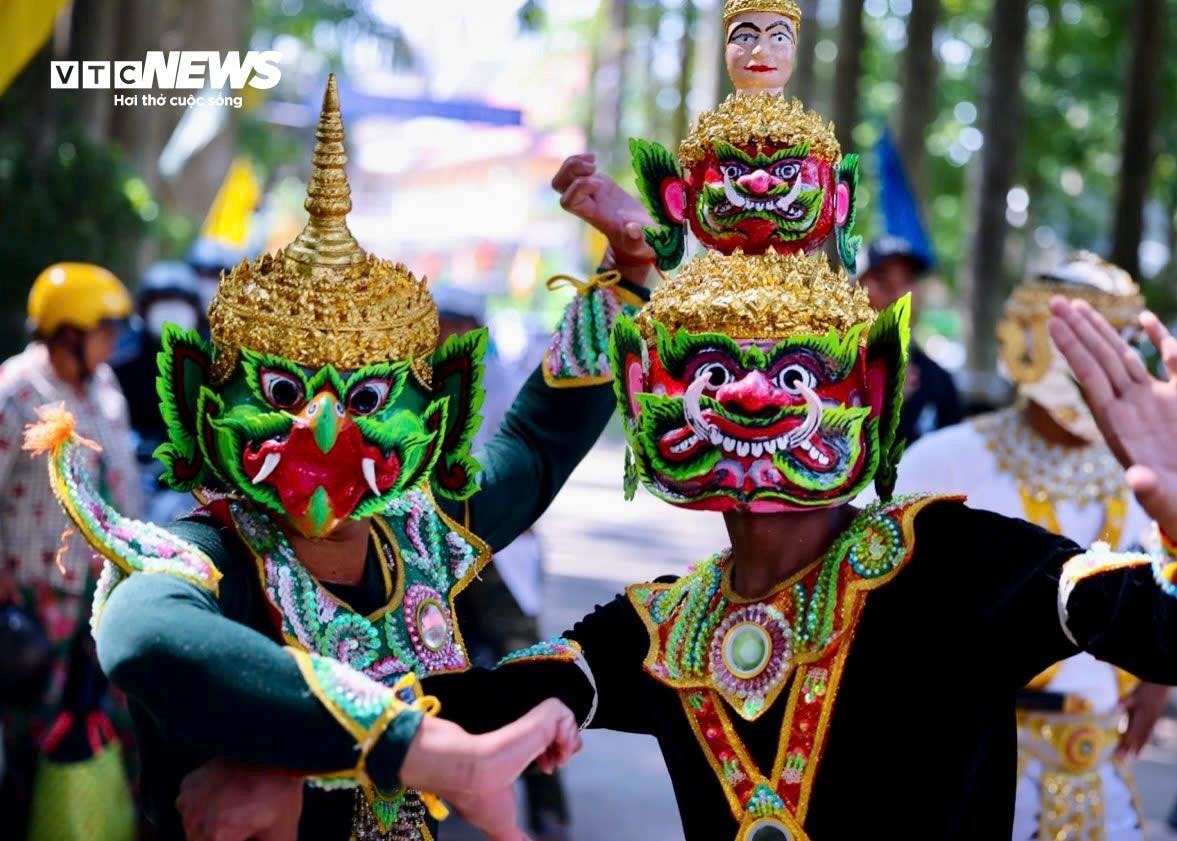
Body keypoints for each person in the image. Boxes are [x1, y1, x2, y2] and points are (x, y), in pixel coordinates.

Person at [163, 4, 1177, 839]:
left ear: (869, 390)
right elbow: (462, 713)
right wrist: (300, 785)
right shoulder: (659, 628)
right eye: (707, 368)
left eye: (793, 371)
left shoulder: (952, 565)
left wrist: (1175, 512)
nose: (747, 399)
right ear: (644, 387)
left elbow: (1160, 632)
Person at [23, 75, 651, 841]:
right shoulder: (207, 551)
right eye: (283, 393)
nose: (323, 429)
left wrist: (629, 274)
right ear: (202, 401)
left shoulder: (423, 534)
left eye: (364, 402)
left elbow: (537, 443)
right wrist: (412, 745)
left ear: (435, 413)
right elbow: (150, 637)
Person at [881, 253, 1167, 841]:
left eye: (1121, 342)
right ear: (1031, 341)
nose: (1105, 366)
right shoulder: (946, 461)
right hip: (971, 761)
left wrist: (1161, 672)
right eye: (1085, 344)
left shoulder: (1148, 470)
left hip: (1100, 770)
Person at [0, 262, 141, 835]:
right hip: (40, 596)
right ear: (67, 332)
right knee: (38, 725)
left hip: (103, 590)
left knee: (116, 718)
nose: (113, 341)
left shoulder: (104, 386)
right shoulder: (16, 389)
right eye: (103, 329)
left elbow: (124, 480)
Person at [434, 284, 572, 840]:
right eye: (442, 324)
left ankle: (548, 807)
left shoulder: (499, 382)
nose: (450, 336)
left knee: (527, 668)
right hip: (424, 552)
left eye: (460, 325)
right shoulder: (405, 388)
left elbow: (523, 465)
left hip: (497, 551)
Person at [113, 261, 208, 524]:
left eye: (180, 302)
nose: (172, 311)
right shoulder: (121, 360)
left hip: (192, 483)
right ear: (144, 309)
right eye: (162, 301)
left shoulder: (210, 363)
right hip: (132, 475)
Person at [857, 234, 963, 444]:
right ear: (854, 287)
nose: (897, 293)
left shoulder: (938, 381)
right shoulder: (825, 370)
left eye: (907, 280)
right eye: (882, 279)